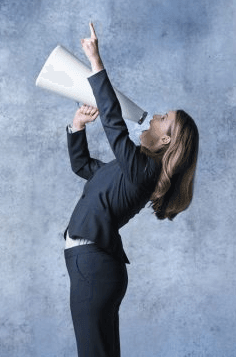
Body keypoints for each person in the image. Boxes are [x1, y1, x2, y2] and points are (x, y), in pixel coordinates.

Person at [63, 23, 199, 357]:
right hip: (94, 266)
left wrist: (96, 63)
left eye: (163, 118)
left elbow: (114, 125)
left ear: (165, 139)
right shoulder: (135, 168)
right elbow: (84, 168)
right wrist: (77, 127)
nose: (154, 117)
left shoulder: (144, 171)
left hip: (93, 266)